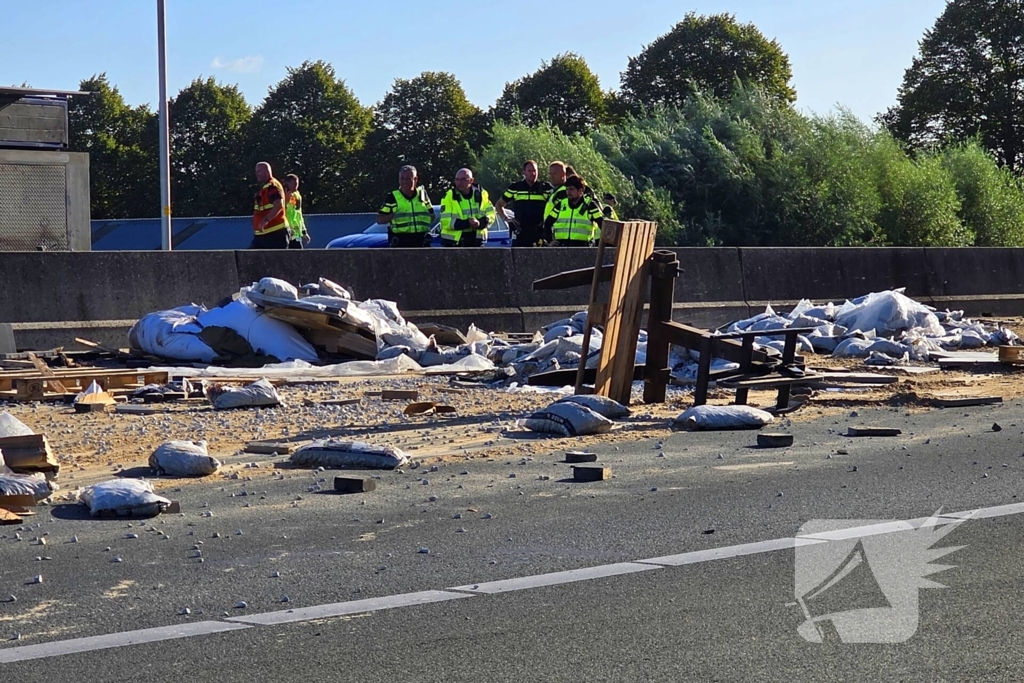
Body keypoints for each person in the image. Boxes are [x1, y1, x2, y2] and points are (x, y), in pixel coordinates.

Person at [495, 160, 553, 247]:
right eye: (530, 171)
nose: (533, 173)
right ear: (524, 172)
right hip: (521, 232)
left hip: (539, 232)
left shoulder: (546, 188)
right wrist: (506, 218)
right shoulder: (515, 188)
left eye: (535, 171)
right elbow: (499, 205)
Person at [377, 165, 435, 247]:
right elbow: (380, 219)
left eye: (408, 178)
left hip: (421, 241)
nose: (405, 181)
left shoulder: (422, 194)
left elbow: (432, 216)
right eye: (402, 178)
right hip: (401, 241)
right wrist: (393, 216)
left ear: (415, 179)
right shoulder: (393, 197)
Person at [439, 168, 495, 247]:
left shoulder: (481, 194)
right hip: (454, 243)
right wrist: (468, 223)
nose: (459, 182)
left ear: (471, 180)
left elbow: (491, 215)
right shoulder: (449, 197)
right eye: (457, 179)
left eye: (463, 179)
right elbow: (445, 221)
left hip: (477, 242)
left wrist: (479, 223)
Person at [544, 175, 604, 246]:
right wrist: (550, 241)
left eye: (571, 189)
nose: (568, 192)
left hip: (582, 248)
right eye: (567, 189)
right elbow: (547, 223)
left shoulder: (590, 206)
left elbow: (603, 225)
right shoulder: (561, 205)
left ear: (580, 191)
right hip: (562, 247)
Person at [251, 162, 289, 249]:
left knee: (275, 261)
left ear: (267, 172)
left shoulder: (272, 186)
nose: (257, 174)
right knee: (249, 259)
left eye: (259, 171)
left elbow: (278, 204)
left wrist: (265, 220)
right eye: (256, 172)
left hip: (274, 233)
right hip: (263, 234)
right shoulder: (265, 187)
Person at [283, 174, 310, 249]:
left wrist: (304, 232)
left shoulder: (297, 195)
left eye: (297, 184)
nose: (296, 186)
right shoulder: (281, 194)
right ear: (287, 183)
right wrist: (286, 201)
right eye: (294, 184)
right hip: (286, 231)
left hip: (296, 233)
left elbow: (299, 214)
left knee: (298, 254)